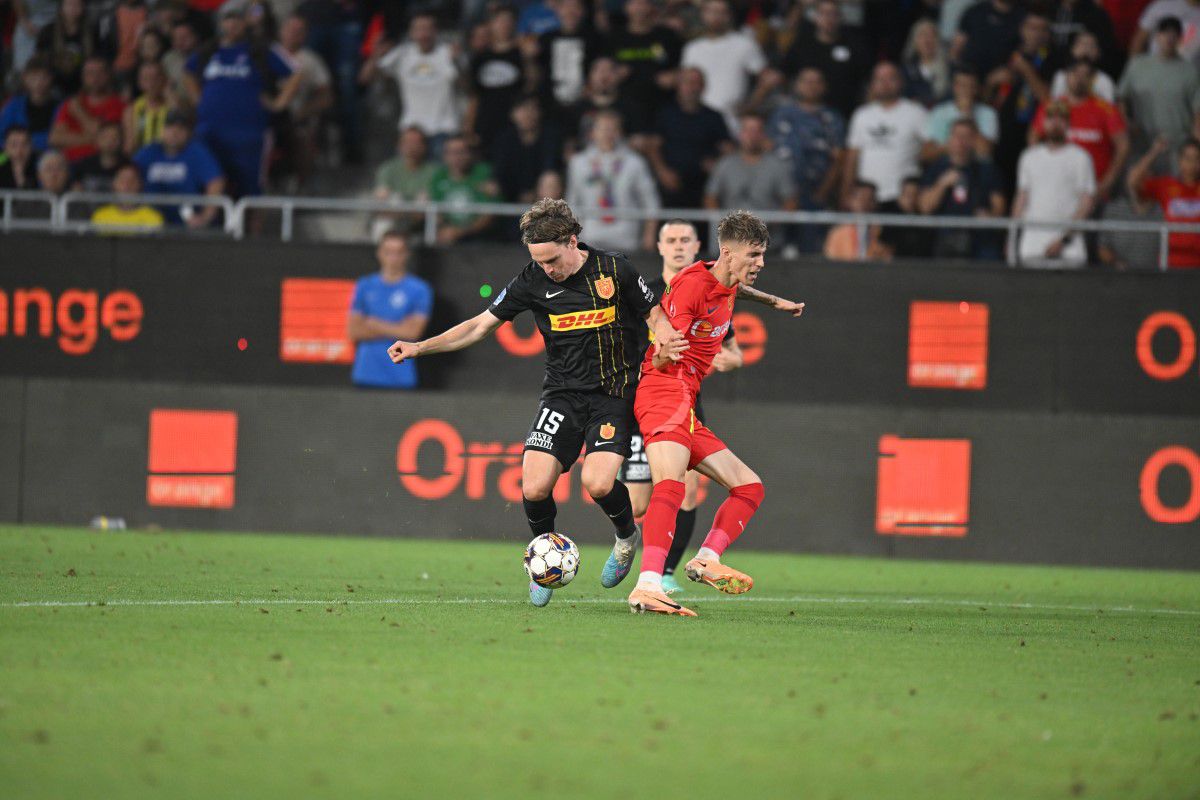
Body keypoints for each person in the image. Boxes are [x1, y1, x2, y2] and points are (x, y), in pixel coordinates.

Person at [386, 198, 684, 608]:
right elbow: (478, 326)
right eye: (539, 262)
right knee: (534, 484)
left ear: (572, 241)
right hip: (561, 394)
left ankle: (625, 536)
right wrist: (420, 347)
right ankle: (543, 562)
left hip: (612, 394)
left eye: (551, 260)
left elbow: (654, 314)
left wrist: (665, 336)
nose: (547, 269)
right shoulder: (530, 280)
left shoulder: (615, 270)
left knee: (597, 483)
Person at [628, 210, 804, 616]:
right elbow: (663, 346)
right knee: (670, 486)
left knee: (749, 487)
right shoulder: (690, 287)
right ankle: (647, 585)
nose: (760, 262)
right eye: (754, 255)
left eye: (762, 255)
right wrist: (664, 351)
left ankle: (705, 559)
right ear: (728, 252)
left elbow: (732, 290)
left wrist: (774, 301)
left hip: (685, 401)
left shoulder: (722, 277)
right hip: (662, 391)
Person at [185, 0, 299, 197]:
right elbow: (187, 72)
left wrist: (279, 103)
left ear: (245, 23)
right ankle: (215, 226)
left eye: (237, 19)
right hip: (210, 133)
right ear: (220, 24)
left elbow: (295, 73)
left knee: (252, 191)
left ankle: (251, 229)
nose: (232, 25)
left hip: (250, 136)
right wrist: (198, 99)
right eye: (227, 20)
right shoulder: (208, 50)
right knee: (208, 186)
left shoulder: (261, 49)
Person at [362, 11, 459, 159]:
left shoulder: (447, 53)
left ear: (436, 31)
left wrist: (458, 61)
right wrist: (375, 54)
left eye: (428, 29)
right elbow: (365, 78)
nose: (424, 34)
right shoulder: (402, 54)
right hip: (411, 131)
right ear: (411, 33)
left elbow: (466, 85)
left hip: (443, 129)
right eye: (419, 29)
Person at [1031, 58, 1129, 205]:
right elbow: (1033, 138)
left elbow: (1124, 146)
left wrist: (1108, 182)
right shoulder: (1052, 107)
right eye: (1075, 74)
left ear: (1091, 80)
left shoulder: (1106, 109)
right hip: (1056, 189)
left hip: (1094, 191)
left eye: (1085, 75)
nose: (1079, 79)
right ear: (1066, 76)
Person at [1011, 101, 1096, 268]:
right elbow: (1021, 199)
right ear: (1043, 123)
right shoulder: (1029, 157)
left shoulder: (1081, 157)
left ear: (1068, 124)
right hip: (1033, 243)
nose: (1055, 123)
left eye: (1061, 118)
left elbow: (1086, 203)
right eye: (1050, 118)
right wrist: (1012, 238)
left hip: (1070, 247)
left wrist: (1064, 240)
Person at [566, 110, 660, 253]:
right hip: (589, 236)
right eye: (602, 128)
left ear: (620, 132)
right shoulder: (578, 162)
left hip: (626, 237)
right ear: (592, 133)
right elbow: (572, 203)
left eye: (612, 129)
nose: (607, 134)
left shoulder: (635, 162)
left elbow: (650, 201)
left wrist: (649, 236)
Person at [347, 232, 433, 388]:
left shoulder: (419, 289)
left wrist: (373, 323)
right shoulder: (364, 285)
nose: (393, 258)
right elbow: (354, 331)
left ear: (406, 254)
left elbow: (413, 333)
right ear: (379, 253)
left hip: (401, 375)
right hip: (365, 374)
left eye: (398, 252)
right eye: (388, 252)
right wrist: (398, 328)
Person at [1119, 16, 1200, 174]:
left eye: (1174, 34)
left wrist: (1195, 145)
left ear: (1180, 39)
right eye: (1165, 33)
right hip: (1142, 145)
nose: (1169, 38)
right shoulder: (1137, 65)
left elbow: (1198, 112)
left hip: (1178, 146)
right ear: (1156, 36)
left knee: (1174, 194)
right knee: (1139, 189)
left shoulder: (1190, 71)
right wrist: (1126, 122)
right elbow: (1121, 98)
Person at [843, 62, 930, 209]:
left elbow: (931, 148)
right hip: (867, 199)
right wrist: (846, 192)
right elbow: (852, 158)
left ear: (901, 82)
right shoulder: (861, 115)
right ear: (872, 84)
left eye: (891, 78)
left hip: (902, 199)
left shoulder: (917, 112)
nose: (885, 84)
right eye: (879, 79)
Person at [680, 0, 775, 132]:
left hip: (731, 122)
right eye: (712, 12)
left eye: (721, 12)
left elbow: (769, 79)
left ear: (729, 16)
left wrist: (750, 106)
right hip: (696, 120)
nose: (716, 17)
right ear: (703, 14)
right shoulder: (692, 48)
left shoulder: (744, 44)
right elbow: (684, 84)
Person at [919, 118, 1007, 259]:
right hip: (944, 238)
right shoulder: (936, 168)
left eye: (966, 137)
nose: (960, 141)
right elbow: (925, 207)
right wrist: (942, 184)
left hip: (979, 240)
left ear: (974, 140)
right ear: (949, 138)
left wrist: (989, 217)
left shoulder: (987, 169)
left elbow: (999, 207)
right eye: (956, 136)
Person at [647, 67, 732, 209]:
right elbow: (652, 146)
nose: (692, 87)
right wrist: (662, 172)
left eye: (696, 83)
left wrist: (718, 165)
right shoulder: (665, 114)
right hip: (671, 184)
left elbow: (728, 148)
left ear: (703, 87)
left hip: (705, 187)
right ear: (678, 86)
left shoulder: (714, 117)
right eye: (687, 82)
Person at [779, 0, 872, 121]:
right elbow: (783, 72)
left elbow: (868, 81)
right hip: (804, 115)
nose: (829, 18)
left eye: (833, 14)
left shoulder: (854, 46)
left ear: (841, 18)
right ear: (816, 17)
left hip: (844, 114)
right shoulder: (802, 44)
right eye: (824, 13)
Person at [133, 110, 226, 227]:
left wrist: (205, 217)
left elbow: (216, 182)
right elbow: (127, 175)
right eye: (170, 128)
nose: (174, 133)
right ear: (162, 131)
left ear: (189, 133)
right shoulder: (149, 152)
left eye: (180, 129)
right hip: (148, 220)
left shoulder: (196, 152)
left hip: (185, 223)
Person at [703, 113, 797, 229]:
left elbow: (790, 202)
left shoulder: (778, 166)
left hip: (767, 237)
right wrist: (723, 224)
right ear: (740, 134)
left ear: (764, 135)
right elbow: (710, 197)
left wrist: (768, 226)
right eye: (748, 130)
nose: (752, 136)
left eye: (757, 131)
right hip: (730, 236)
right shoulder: (725, 164)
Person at [607, 0, 682, 138]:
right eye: (634, 3)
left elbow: (682, 69)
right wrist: (613, 76)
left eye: (643, 3)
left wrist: (675, 76)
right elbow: (603, 72)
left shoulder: (667, 36)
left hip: (662, 107)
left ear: (651, 6)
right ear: (626, 7)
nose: (639, 8)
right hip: (625, 107)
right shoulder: (613, 37)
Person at [465, 4, 532, 155]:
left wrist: (529, 59)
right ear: (491, 25)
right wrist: (469, 126)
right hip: (486, 123)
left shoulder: (521, 55)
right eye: (500, 21)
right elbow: (474, 96)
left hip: (514, 125)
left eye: (509, 21)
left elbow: (530, 86)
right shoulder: (480, 58)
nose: (504, 25)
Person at [277, 13, 333, 190]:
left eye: (299, 31)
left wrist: (303, 112)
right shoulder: (267, 54)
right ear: (281, 31)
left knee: (304, 136)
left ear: (306, 35)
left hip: (296, 117)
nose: (294, 34)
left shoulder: (311, 60)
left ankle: (302, 187)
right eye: (290, 29)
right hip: (267, 116)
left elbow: (326, 97)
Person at [1128, 136, 1200, 268]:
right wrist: (1154, 152)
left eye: (1197, 159)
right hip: (1172, 261)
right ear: (1180, 161)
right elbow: (1133, 181)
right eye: (1188, 158)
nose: (1192, 164)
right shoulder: (1166, 185)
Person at [49, 56, 127, 164]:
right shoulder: (70, 104)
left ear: (108, 75)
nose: (95, 78)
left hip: (101, 166)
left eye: (100, 72)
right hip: (70, 165)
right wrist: (94, 139)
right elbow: (55, 138)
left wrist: (79, 113)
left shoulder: (120, 105)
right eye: (90, 73)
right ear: (83, 77)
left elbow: (106, 138)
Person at [490, 95, 563, 204]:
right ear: (512, 114)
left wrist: (535, 194)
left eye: (532, 108)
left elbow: (551, 167)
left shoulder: (551, 136)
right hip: (510, 197)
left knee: (550, 179)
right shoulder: (505, 140)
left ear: (540, 112)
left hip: (543, 198)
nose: (528, 114)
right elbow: (501, 173)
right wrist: (516, 193)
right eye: (522, 109)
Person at [372, 127, 436, 238]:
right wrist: (406, 213)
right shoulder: (388, 169)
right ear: (399, 145)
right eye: (407, 142)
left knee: (422, 201)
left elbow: (422, 212)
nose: (411, 146)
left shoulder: (434, 172)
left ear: (424, 146)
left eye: (416, 142)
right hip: (394, 217)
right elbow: (381, 206)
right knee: (390, 206)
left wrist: (407, 213)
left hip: (422, 222)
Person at [926, 70, 999, 158]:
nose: (966, 90)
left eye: (971, 86)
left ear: (976, 89)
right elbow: (928, 154)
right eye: (962, 85)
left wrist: (967, 113)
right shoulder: (939, 112)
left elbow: (984, 151)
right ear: (954, 87)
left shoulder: (989, 113)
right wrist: (956, 147)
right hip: (946, 164)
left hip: (977, 166)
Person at [35, 0, 99, 96]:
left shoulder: (92, 32)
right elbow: (40, 60)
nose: (73, 9)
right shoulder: (48, 32)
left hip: (82, 85)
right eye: (70, 5)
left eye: (78, 5)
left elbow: (97, 59)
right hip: (54, 84)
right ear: (61, 8)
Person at [0, 57, 59, 152]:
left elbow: (58, 138)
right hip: (13, 155)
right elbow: (1, 136)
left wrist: (27, 142)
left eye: (44, 77)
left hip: (47, 158)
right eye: (34, 77)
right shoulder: (14, 105)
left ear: (51, 79)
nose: (38, 82)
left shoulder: (60, 107)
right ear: (25, 78)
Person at [954, 0, 1025, 77]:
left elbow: (1030, 52)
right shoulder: (975, 11)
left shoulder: (1024, 16)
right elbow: (956, 48)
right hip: (969, 77)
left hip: (1003, 81)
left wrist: (1011, 70)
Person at [90, 163, 165, 233]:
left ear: (140, 184)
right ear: (114, 184)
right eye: (122, 180)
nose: (127, 186)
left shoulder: (153, 217)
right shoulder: (101, 216)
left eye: (132, 181)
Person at [825, 180, 889, 260]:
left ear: (875, 203)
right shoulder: (838, 233)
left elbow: (887, 260)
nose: (864, 203)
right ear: (850, 201)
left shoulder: (884, 232)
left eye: (869, 199)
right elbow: (830, 262)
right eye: (860, 198)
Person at [1049, 31, 1116, 102]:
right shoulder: (1061, 77)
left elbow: (1108, 110)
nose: (1086, 49)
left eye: (1091, 46)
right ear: (1072, 50)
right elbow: (1055, 106)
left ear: (1099, 53)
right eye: (1082, 44)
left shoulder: (1104, 81)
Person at [123, 61, 171, 154]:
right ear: (139, 82)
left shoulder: (173, 104)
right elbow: (129, 146)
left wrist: (170, 92)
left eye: (156, 78)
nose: (151, 83)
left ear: (164, 79)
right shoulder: (132, 110)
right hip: (143, 160)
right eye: (146, 78)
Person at [901, 19, 951, 108]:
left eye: (932, 35)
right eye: (922, 35)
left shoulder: (949, 68)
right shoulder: (906, 70)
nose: (927, 40)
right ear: (914, 42)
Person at [1131, 0, 1200, 62]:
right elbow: (1139, 41)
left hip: (1190, 73)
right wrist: (1137, 69)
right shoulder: (1162, 5)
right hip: (1154, 70)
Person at [72, 120, 129, 192]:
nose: (110, 141)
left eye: (115, 138)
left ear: (121, 141)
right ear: (98, 140)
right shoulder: (83, 165)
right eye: (106, 137)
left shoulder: (127, 167)